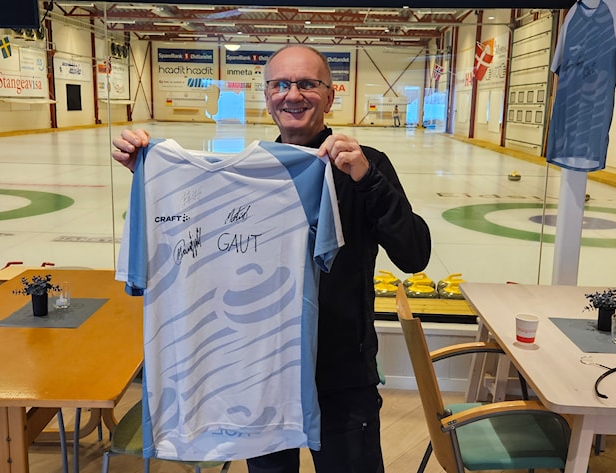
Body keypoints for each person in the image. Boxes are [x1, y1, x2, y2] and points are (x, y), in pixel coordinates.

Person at [111, 44, 432, 473]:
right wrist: (151, 173)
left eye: (307, 84)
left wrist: (368, 181)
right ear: (267, 97)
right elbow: (200, 229)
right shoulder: (250, 174)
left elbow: (414, 254)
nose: (292, 94)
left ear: (330, 95)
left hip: (341, 379)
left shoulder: (365, 166)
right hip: (262, 375)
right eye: (280, 85)